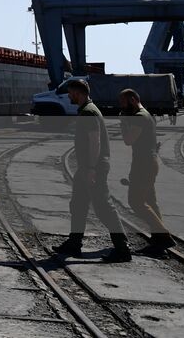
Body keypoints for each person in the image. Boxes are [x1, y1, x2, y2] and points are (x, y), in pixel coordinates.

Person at [52, 79, 131, 263]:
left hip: (93, 167)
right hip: (87, 167)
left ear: (77, 93)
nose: (68, 96)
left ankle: (122, 248)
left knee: (104, 207)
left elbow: (95, 141)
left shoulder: (88, 112)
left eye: (70, 93)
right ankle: (74, 243)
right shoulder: (89, 109)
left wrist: (92, 169)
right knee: (78, 204)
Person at [119, 88, 173, 255]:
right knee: (150, 201)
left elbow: (128, 140)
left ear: (133, 100)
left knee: (136, 202)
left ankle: (163, 237)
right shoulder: (146, 115)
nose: (122, 107)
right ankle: (158, 243)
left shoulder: (139, 117)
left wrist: (123, 123)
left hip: (143, 164)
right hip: (148, 162)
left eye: (124, 103)